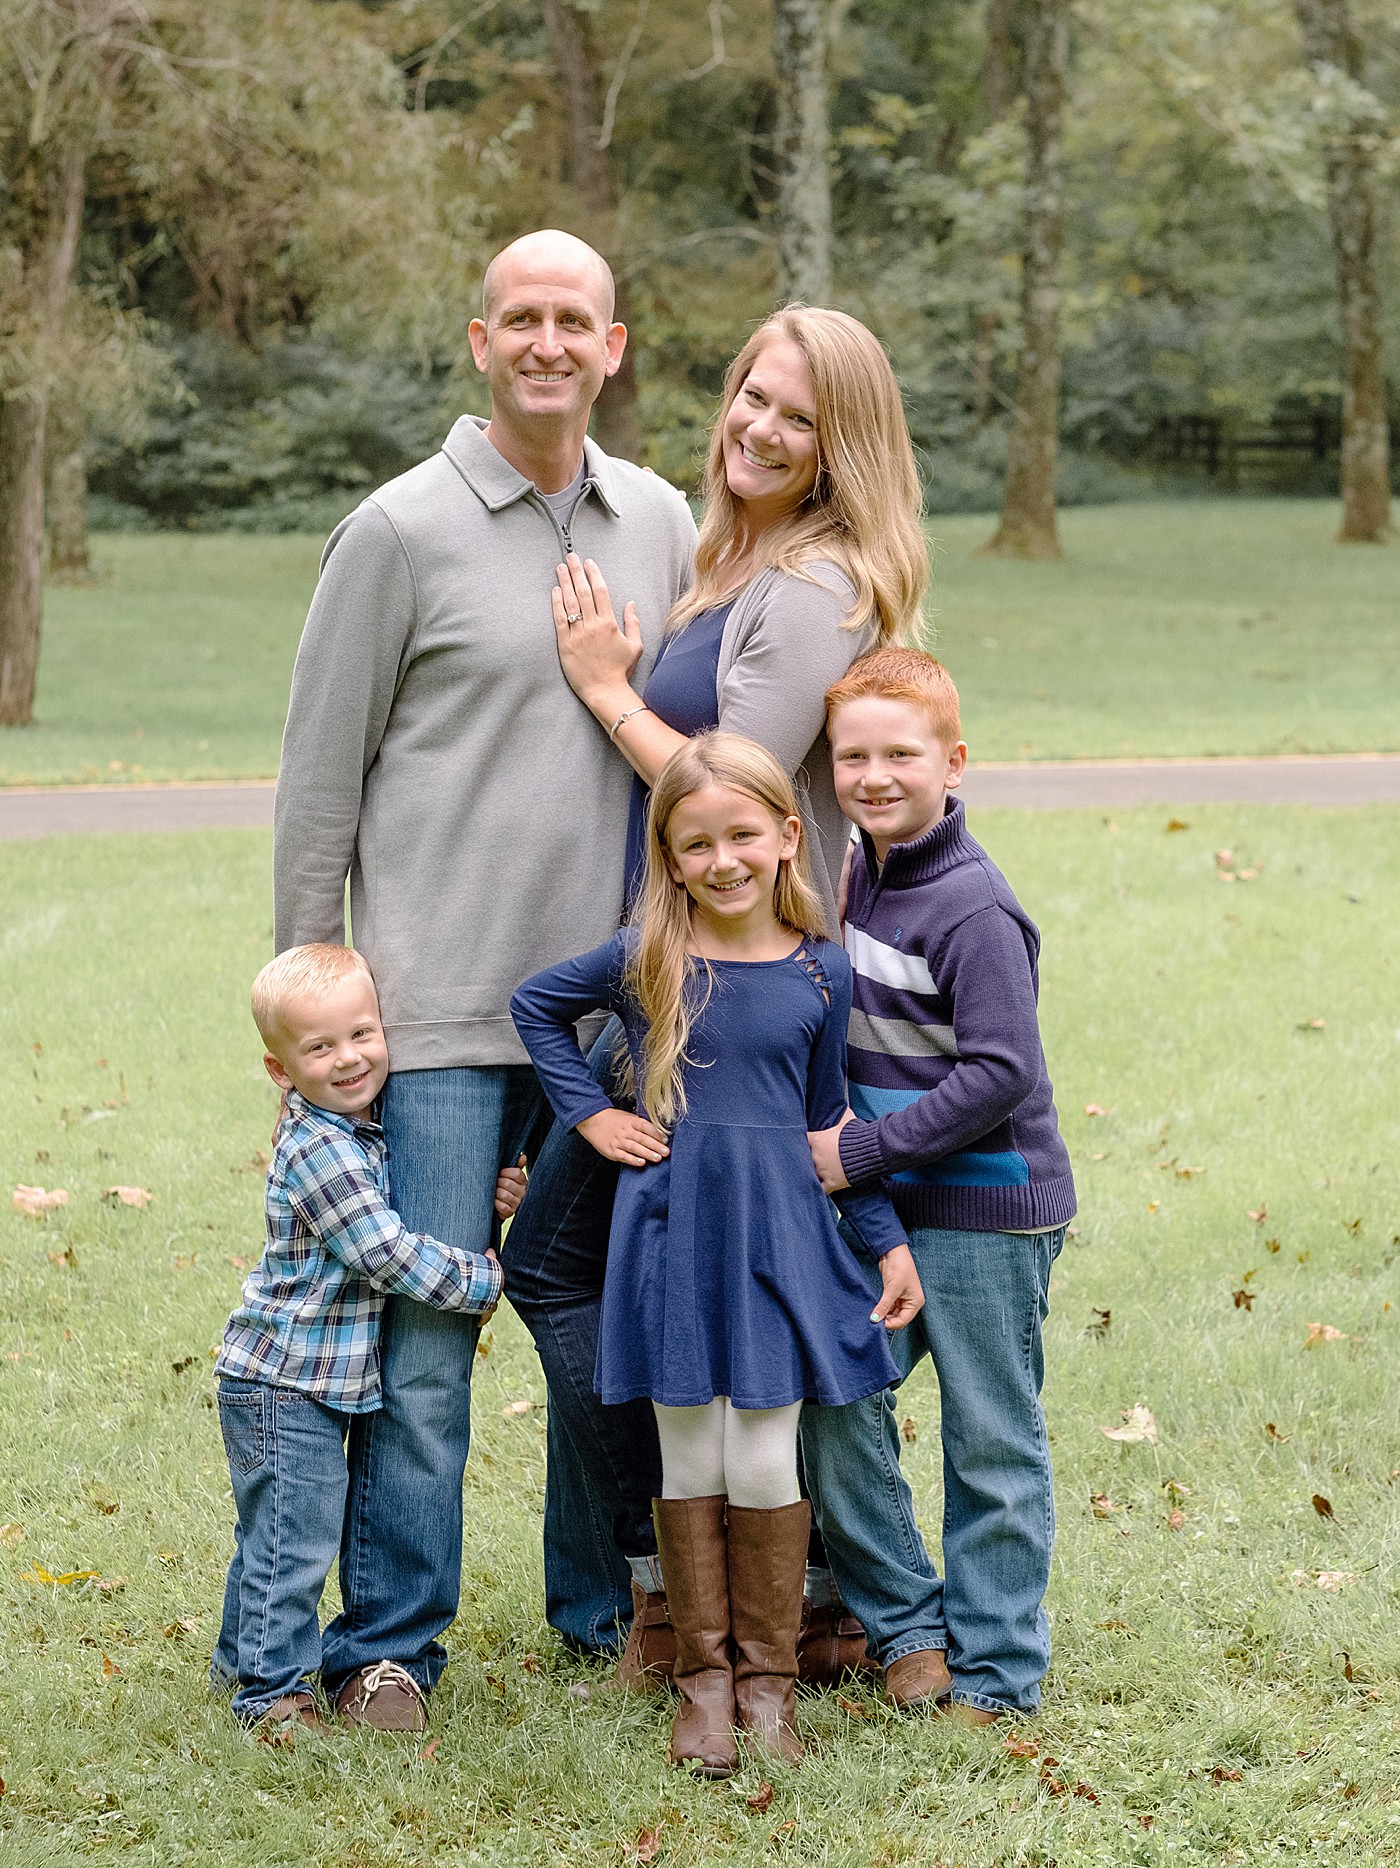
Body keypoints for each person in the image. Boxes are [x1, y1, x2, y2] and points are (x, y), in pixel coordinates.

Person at [272, 229, 696, 1726]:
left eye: (574, 319)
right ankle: (392, 1640)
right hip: (440, 1015)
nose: (547, 341)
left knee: (600, 1329)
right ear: (477, 340)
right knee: (432, 1340)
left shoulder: (660, 519)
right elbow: (317, 788)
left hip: (610, 1021)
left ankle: (602, 1614)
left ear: (614, 346)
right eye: (521, 317)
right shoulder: (396, 532)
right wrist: (302, 1008)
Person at [502, 304, 930, 1671]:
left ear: (840, 445)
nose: (758, 425)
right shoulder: (727, 556)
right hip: (680, 976)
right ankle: (732, 1599)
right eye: (752, 393)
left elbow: (724, 787)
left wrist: (602, 684)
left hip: (735, 992)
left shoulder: (810, 588)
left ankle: (726, 1602)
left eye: (797, 416)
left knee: (577, 1266)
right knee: (618, 1272)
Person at [510, 734, 924, 1777]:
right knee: (689, 1450)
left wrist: (883, 1240)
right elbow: (536, 1007)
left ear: (787, 836)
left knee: (761, 1452)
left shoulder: (820, 969)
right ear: (670, 854)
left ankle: (767, 1687)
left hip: (778, 1235)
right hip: (672, 1234)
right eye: (695, 843)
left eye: (743, 834)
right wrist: (593, 1118)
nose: (722, 858)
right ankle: (702, 1687)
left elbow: (828, 1113)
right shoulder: (646, 954)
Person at [801, 647, 1077, 1721]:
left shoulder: (969, 904)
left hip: (984, 1209)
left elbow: (1000, 1071)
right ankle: (909, 1624)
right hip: (895, 1210)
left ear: (952, 761)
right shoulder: (863, 867)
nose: (873, 774)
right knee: (837, 1391)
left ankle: (999, 1677)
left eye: (899, 754)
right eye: (852, 754)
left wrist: (860, 1154)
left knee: (988, 1435)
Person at [211, 945, 514, 1730]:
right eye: (319, 1048)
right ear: (281, 1073)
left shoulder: (356, 1132)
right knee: (293, 1543)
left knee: (273, 1533)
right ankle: (271, 1694)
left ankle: (235, 1661)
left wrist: (493, 1191)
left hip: (301, 1380)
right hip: (288, 1385)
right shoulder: (319, 1149)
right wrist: (480, 1281)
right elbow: (385, 1253)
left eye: (362, 1034)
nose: (348, 1059)